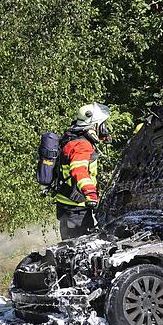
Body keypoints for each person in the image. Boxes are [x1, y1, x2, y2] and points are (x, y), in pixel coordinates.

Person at [55, 102, 110, 240]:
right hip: (76, 207)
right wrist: (90, 193)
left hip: (69, 203)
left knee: (72, 247)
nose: (105, 128)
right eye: (103, 124)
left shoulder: (73, 138)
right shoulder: (82, 144)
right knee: (78, 250)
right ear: (95, 124)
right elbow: (78, 170)